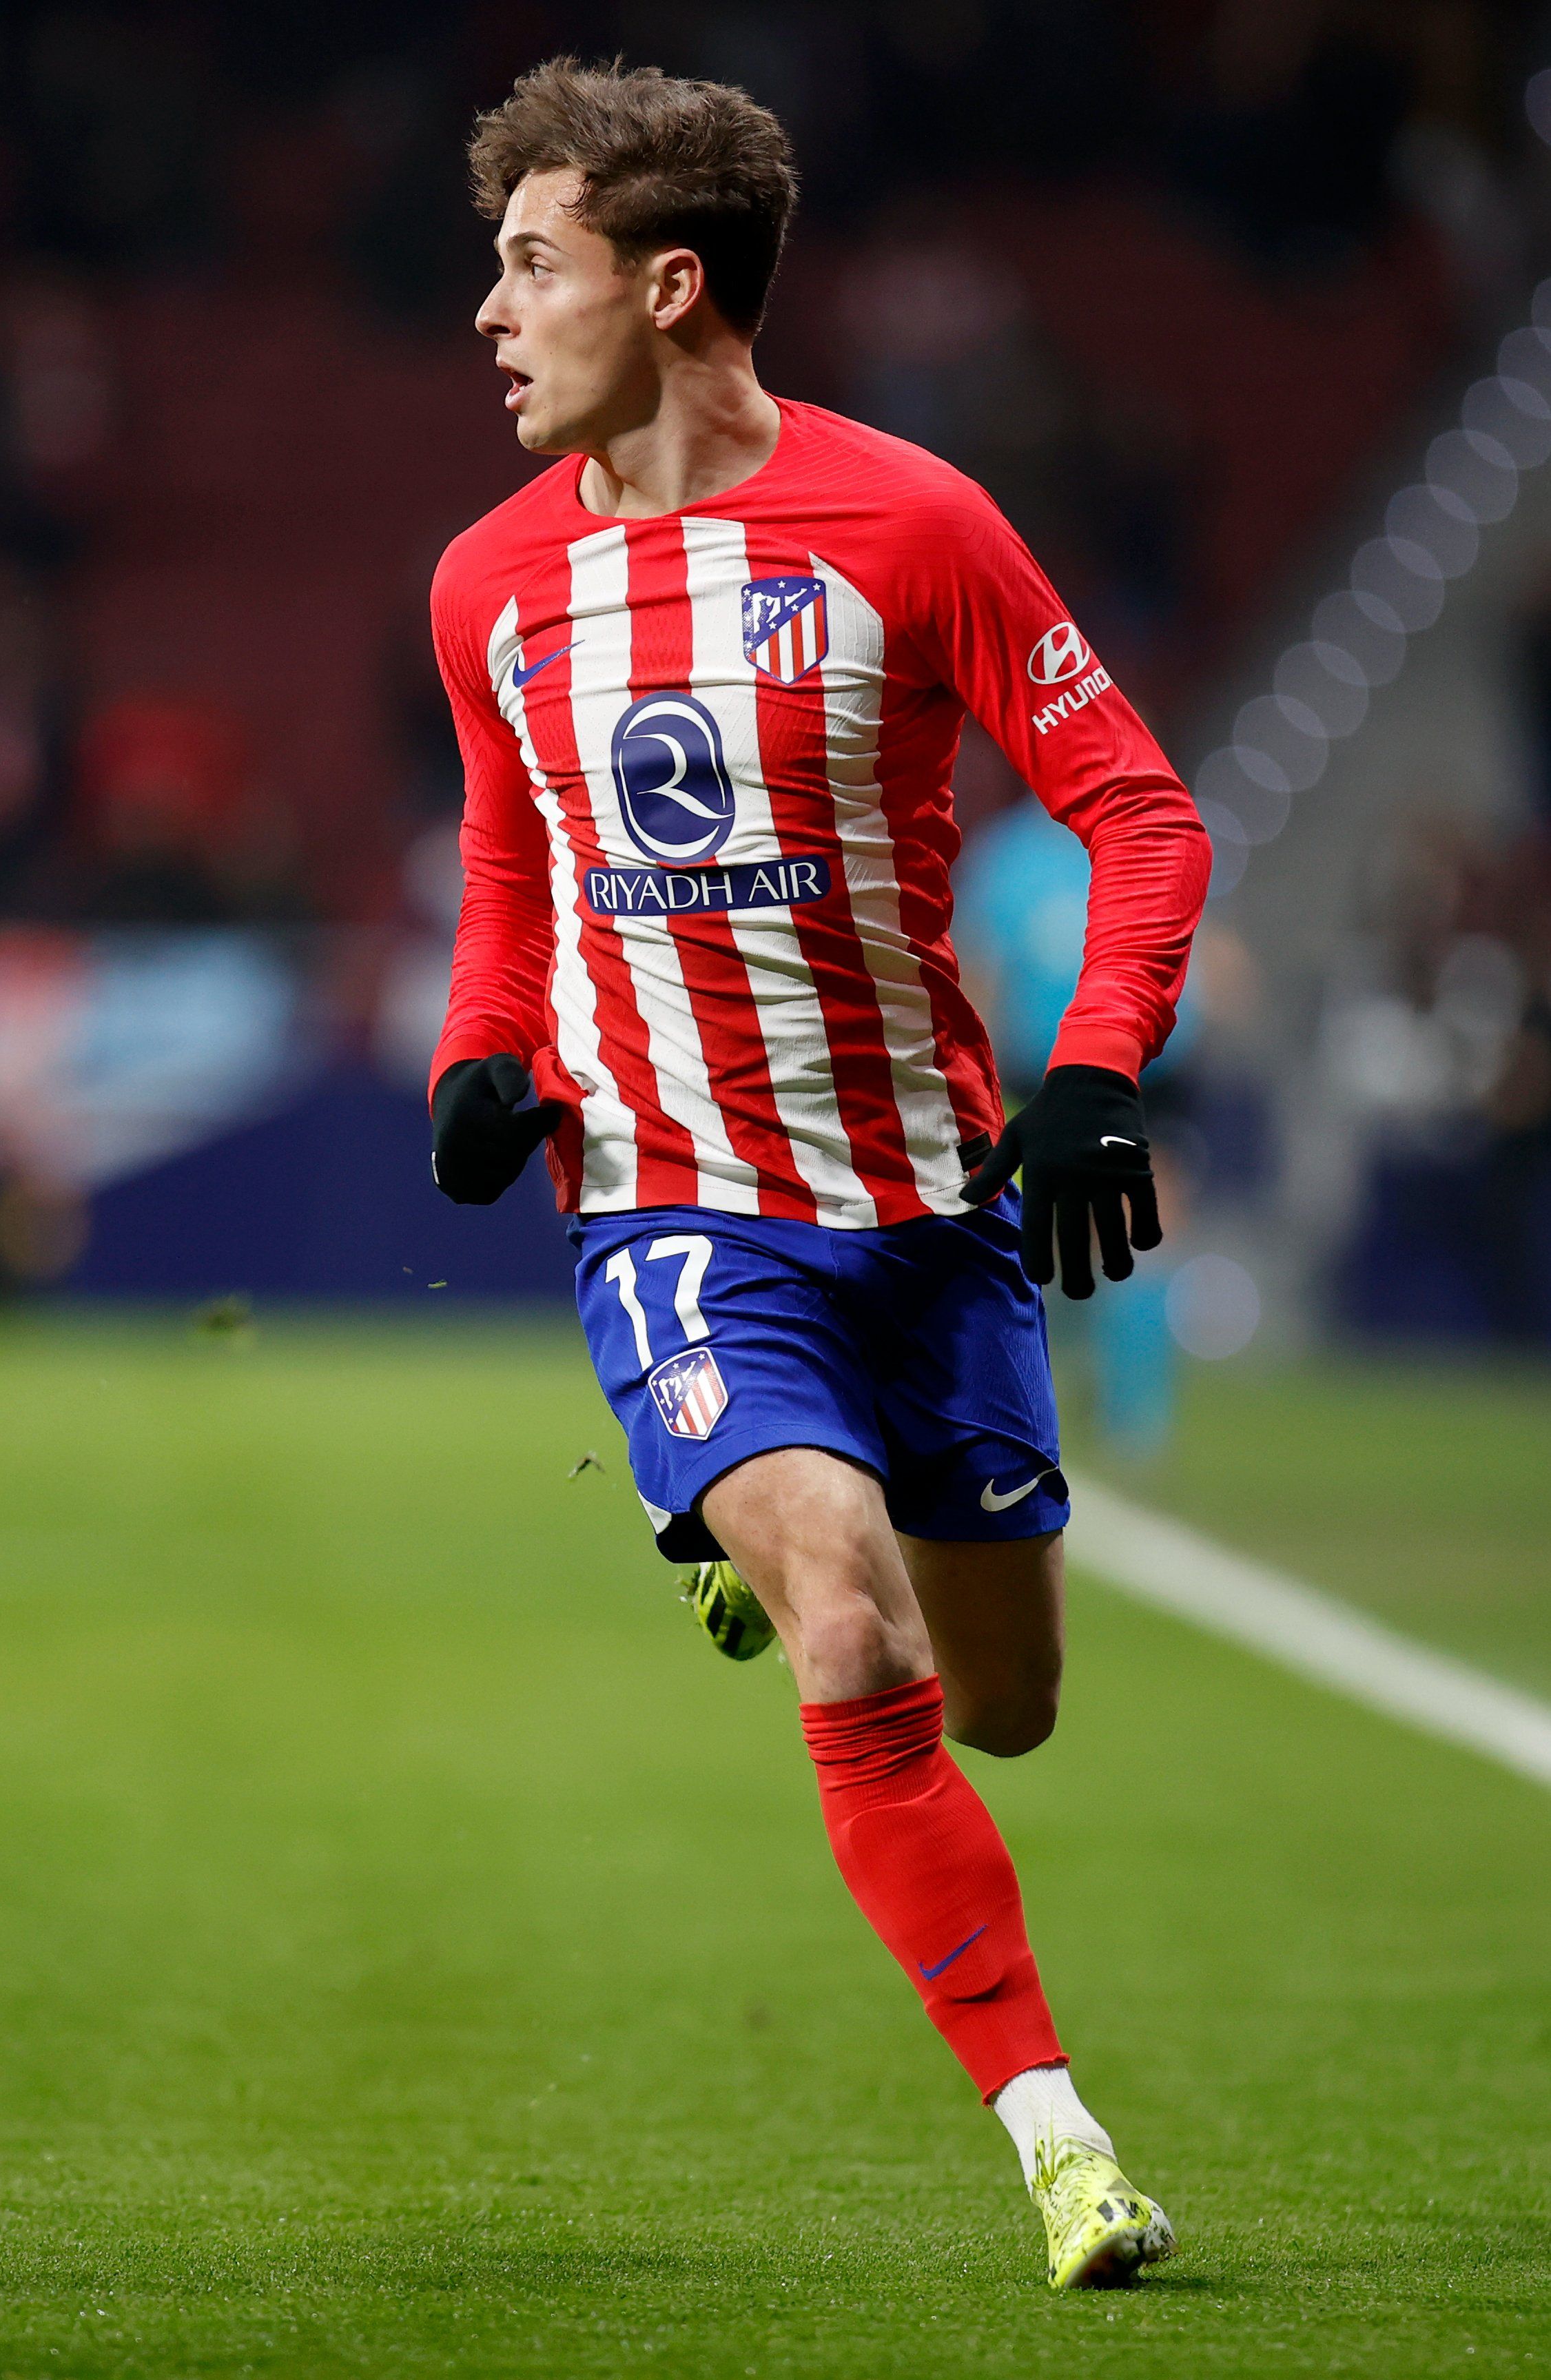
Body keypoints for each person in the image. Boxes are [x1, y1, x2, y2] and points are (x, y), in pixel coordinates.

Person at [426, 60, 1209, 2290]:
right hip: (669, 1202)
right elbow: (510, 866)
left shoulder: (913, 529)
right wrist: (483, 1058)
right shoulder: (486, 587)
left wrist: (1088, 1080)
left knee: (1004, 1706)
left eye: (529, 265)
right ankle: (1057, 2141)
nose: (488, 314)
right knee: (843, 1610)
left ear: (671, 289)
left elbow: (1140, 818)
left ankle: (748, 1542)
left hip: (928, 1204)